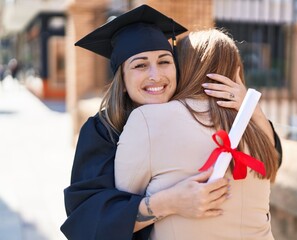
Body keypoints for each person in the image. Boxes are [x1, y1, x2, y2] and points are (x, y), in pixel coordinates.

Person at [61, 5, 262, 240]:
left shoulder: (195, 116)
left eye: (165, 61)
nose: (156, 75)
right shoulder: (102, 130)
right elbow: (87, 221)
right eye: (140, 65)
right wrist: (170, 202)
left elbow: (271, 157)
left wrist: (250, 109)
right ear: (122, 80)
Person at [114, 28, 281, 239]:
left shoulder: (148, 120)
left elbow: (119, 213)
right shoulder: (258, 131)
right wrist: (253, 110)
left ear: (182, 68)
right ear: (237, 72)